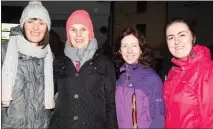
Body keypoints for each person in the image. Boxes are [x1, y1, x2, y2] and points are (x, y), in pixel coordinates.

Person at [48, 10, 118, 129]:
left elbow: (111, 104)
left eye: (83, 29)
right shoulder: (59, 62)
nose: (78, 34)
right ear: (68, 34)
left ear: (90, 33)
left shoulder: (104, 63)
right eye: (73, 29)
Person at [1, 1, 55, 128]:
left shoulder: (49, 57)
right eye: (30, 21)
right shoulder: (4, 51)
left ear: (47, 28)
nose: (35, 28)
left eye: (41, 23)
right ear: (23, 24)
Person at [164, 17, 213, 128]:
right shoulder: (174, 71)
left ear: (193, 38)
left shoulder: (207, 70)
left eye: (182, 35)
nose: (176, 41)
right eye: (171, 37)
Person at [114, 28, 165, 129]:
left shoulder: (152, 79)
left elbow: (158, 119)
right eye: (125, 46)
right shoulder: (120, 80)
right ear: (120, 50)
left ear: (141, 49)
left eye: (134, 45)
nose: (129, 50)